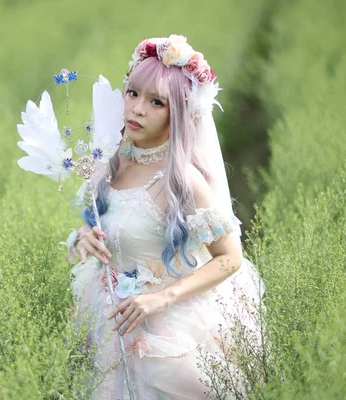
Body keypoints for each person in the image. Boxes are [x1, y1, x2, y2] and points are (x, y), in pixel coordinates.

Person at [65, 35, 265, 399]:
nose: (137, 109)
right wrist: (84, 235)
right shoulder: (109, 164)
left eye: (156, 102)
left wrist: (163, 297)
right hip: (110, 321)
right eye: (133, 94)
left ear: (179, 113)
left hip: (166, 329)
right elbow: (103, 221)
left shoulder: (182, 180)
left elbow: (231, 258)